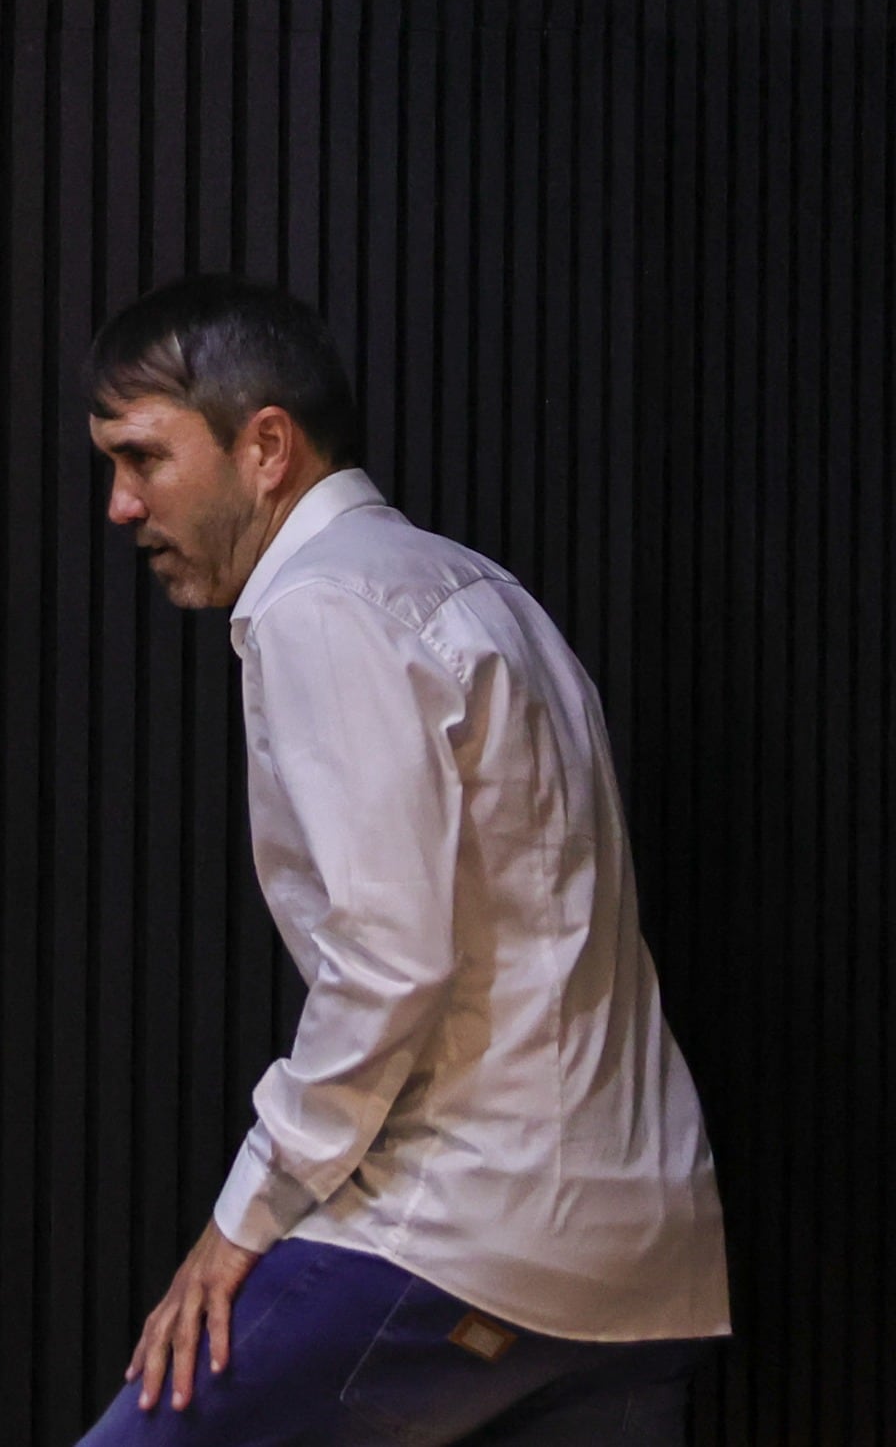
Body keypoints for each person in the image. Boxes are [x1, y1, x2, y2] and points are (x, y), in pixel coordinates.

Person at [75, 277, 730, 1444]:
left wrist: (238, 1223)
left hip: (459, 1237)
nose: (121, 504)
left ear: (265, 446)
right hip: (640, 1263)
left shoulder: (320, 604)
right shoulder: (486, 592)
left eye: (143, 457)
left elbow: (387, 962)